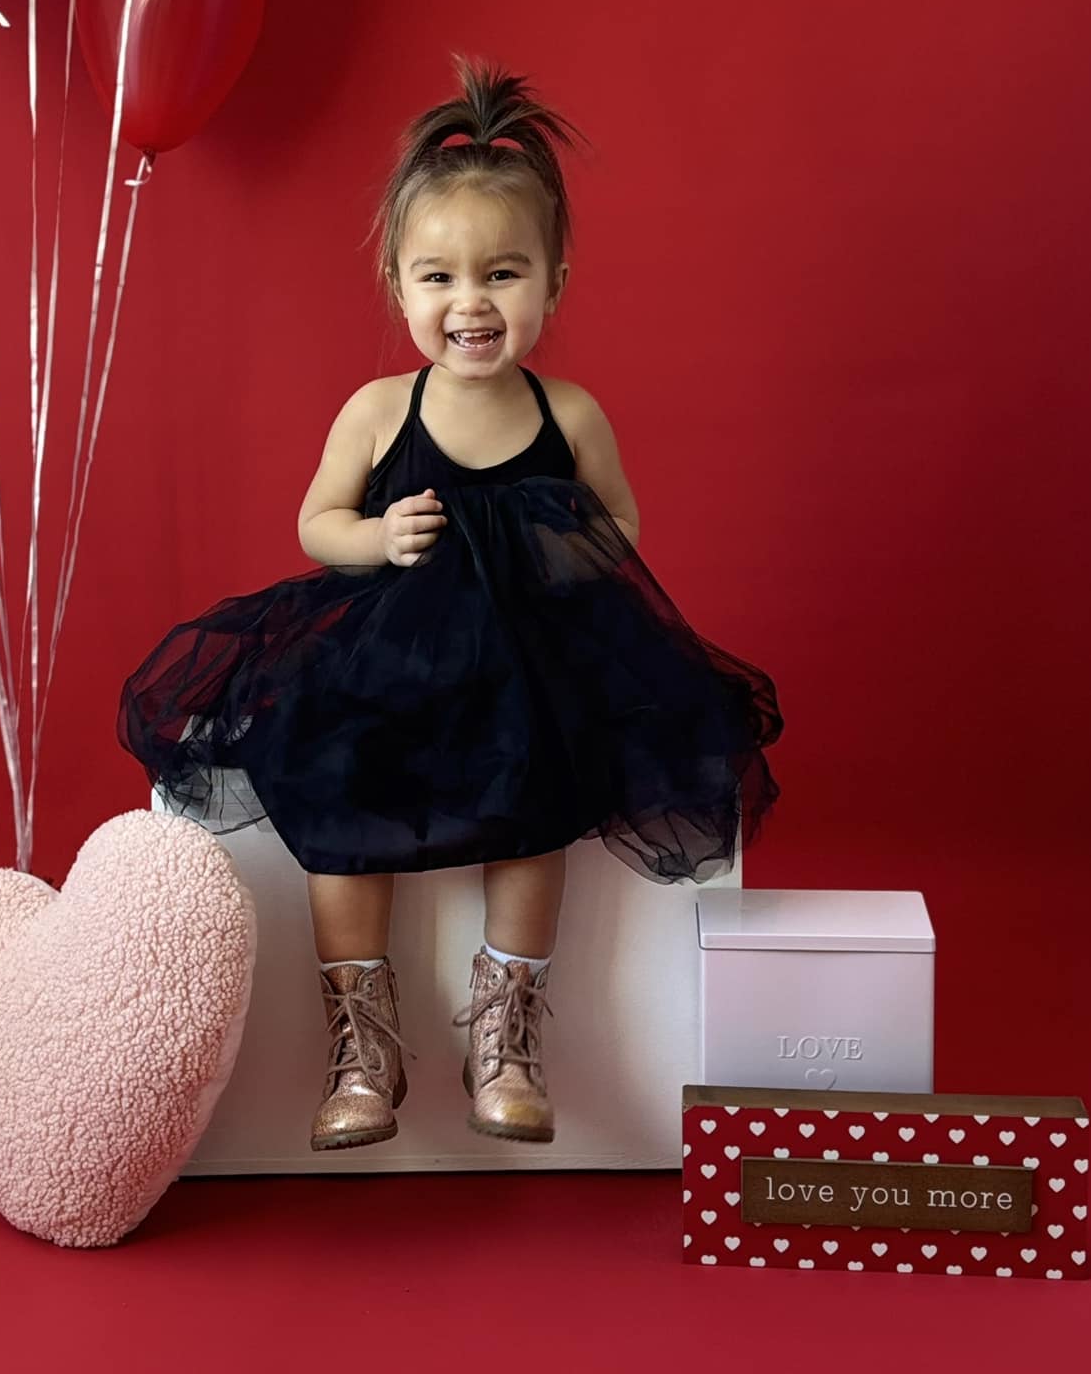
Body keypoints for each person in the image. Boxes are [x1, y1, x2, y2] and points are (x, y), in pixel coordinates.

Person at [118, 58, 783, 1152]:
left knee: (538, 813)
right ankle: (362, 1043)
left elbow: (620, 523)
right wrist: (377, 537)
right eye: (438, 277)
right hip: (390, 664)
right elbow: (316, 521)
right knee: (336, 811)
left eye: (502, 274)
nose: (470, 303)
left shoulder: (568, 410)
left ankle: (505, 1035)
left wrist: (568, 541)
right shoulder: (382, 409)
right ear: (397, 283)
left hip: (530, 664)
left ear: (553, 283)